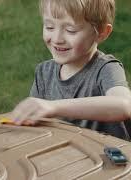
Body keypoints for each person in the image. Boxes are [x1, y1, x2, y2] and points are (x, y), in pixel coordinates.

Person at [8, 0, 131, 140]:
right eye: (49, 27)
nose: (57, 38)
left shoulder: (106, 69)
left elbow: (124, 105)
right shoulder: (44, 73)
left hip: (108, 158)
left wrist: (53, 107)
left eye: (70, 30)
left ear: (102, 32)